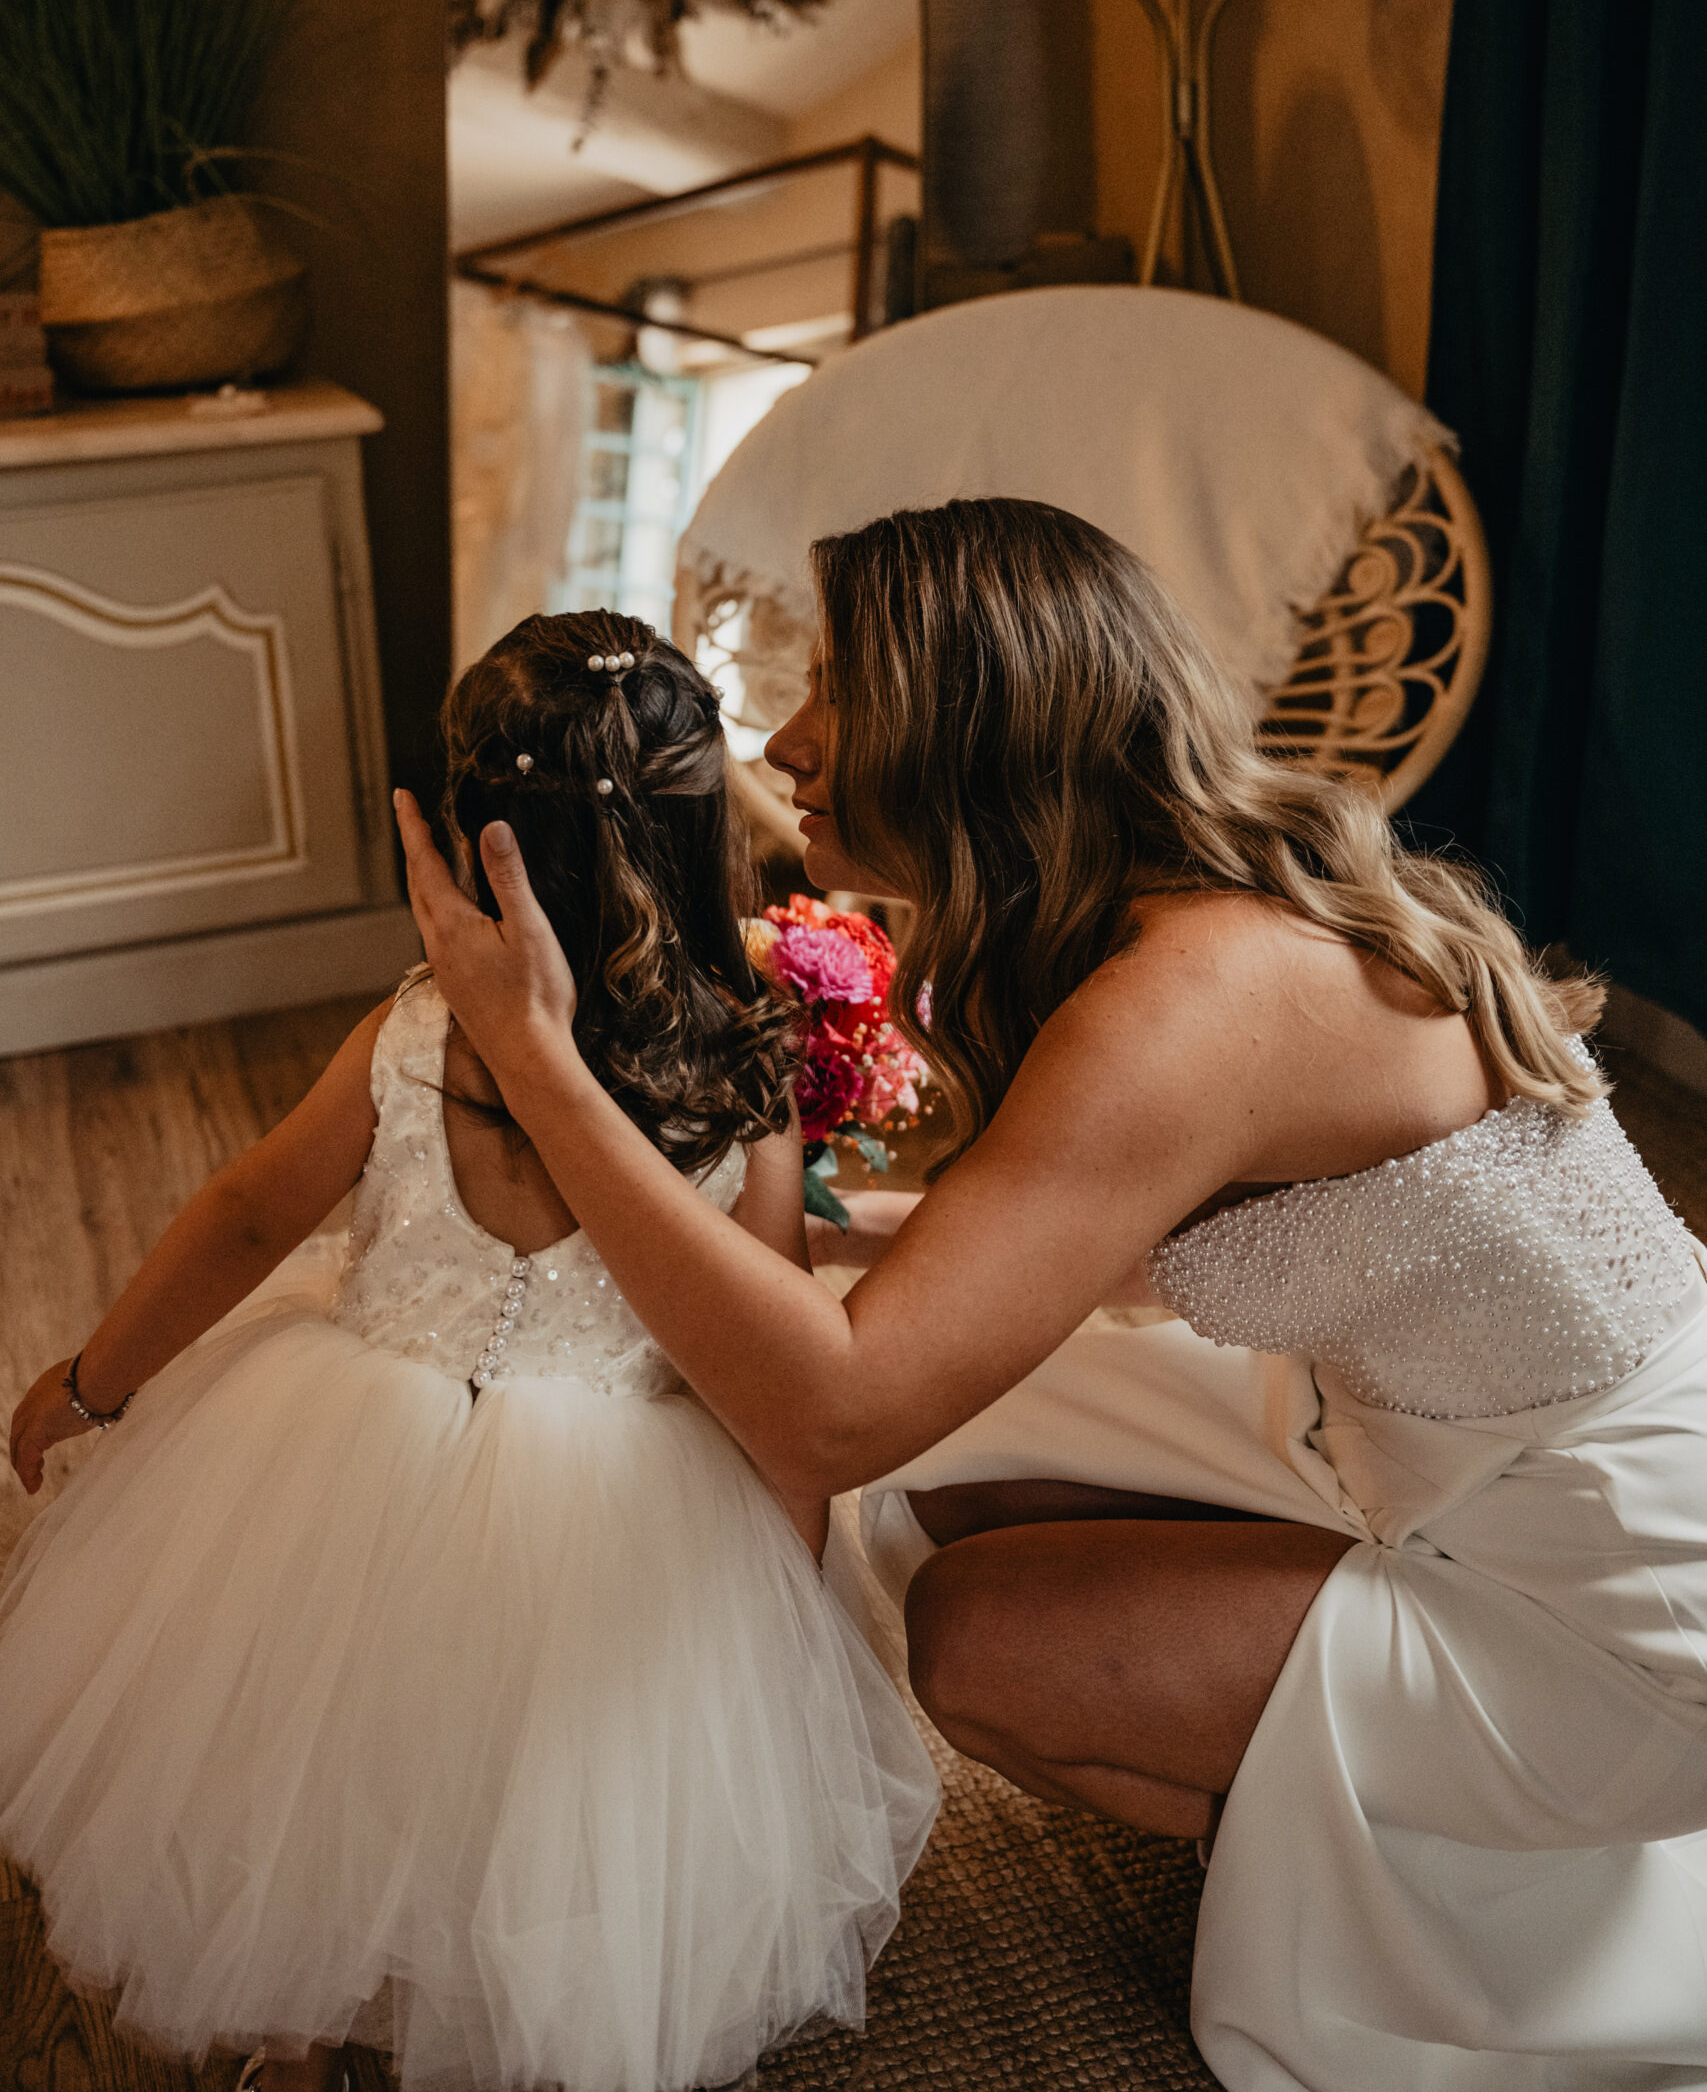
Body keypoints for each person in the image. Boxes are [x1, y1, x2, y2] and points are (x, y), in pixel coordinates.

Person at [394, 500, 1707, 2092]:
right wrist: (803, 1228)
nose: (788, 742)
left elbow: (827, 1417)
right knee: (956, 1483)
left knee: (975, 1638)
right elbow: (1088, 1240)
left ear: (971, 728)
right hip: (1469, 1465)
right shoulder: (1205, 920)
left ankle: (1399, 1867)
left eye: (839, 692)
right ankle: (1342, 1775)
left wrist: (537, 1062)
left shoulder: (1194, 1000)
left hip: (1616, 1620)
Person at [1, 611, 937, 2092]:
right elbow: (761, 1356)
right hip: (627, 1512)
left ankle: (293, 2035)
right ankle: (511, 2004)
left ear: (461, 838)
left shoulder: (421, 1030)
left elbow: (248, 1217)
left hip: (338, 1453)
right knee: (547, 1794)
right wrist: (783, 1598)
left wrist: (92, 1382)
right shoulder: (745, 1074)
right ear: (705, 834)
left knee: (300, 1745)